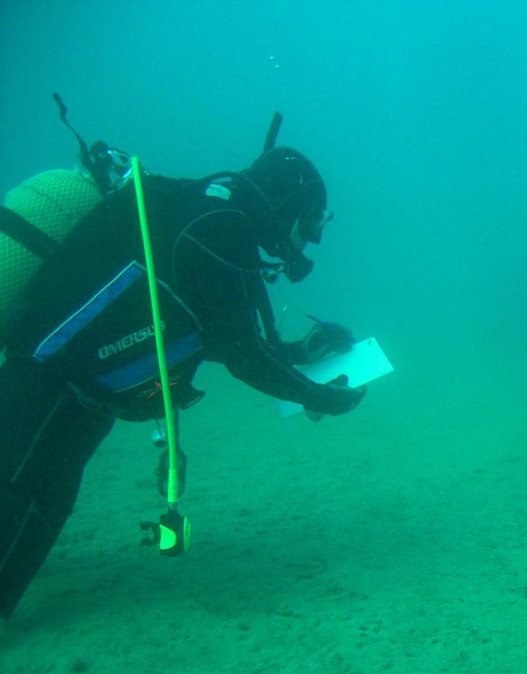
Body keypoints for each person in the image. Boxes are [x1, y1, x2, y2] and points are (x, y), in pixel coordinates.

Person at [0, 137, 367, 619]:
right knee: (19, 491)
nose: (311, 238)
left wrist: (304, 352)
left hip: (82, 393)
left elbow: (231, 338)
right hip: (48, 379)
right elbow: (245, 355)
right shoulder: (218, 230)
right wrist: (322, 397)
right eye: (311, 221)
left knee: (47, 498)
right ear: (287, 205)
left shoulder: (217, 228)